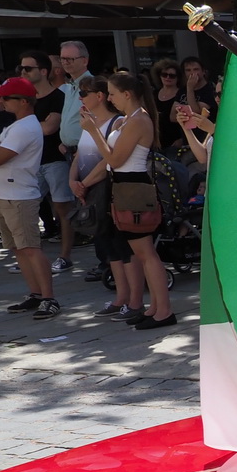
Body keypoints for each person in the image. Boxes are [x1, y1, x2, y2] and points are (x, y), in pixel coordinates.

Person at [85, 73, 174, 330]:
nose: (109, 98)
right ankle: (155, 307)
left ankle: (163, 310)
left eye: (112, 93)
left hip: (133, 188)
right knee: (140, 253)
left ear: (126, 94)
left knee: (146, 253)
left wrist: (94, 132)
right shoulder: (127, 120)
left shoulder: (139, 120)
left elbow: (115, 160)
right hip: (124, 186)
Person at [69, 76, 139, 318]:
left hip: (108, 192)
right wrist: (72, 180)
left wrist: (84, 184)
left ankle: (133, 300)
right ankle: (121, 297)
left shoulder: (117, 122)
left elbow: (108, 160)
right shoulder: (89, 123)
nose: (80, 98)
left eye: (84, 93)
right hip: (90, 192)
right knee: (108, 247)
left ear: (98, 96)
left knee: (122, 246)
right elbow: (80, 155)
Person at [0, 77, 53, 319]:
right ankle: (36, 294)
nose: (2, 102)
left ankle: (49, 298)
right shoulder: (17, 125)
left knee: (30, 248)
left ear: (23, 101)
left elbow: (1, 157)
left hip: (19, 196)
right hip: (6, 194)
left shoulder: (25, 127)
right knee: (18, 249)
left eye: (6, 98)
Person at [20, 52, 73, 276]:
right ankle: (32, 258)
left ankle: (65, 256)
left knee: (63, 210)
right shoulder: (27, 99)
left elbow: (49, 128)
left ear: (43, 71)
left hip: (55, 160)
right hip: (32, 163)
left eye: (28, 69)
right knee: (27, 210)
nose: (23, 72)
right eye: (21, 68)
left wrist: (26, 126)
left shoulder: (58, 97)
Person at [53, 41, 89, 274]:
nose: (65, 62)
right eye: (63, 58)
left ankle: (107, 261)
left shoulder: (89, 85)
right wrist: (63, 141)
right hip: (70, 150)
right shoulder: (70, 86)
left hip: (84, 152)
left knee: (91, 204)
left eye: (70, 59)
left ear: (84, 60)